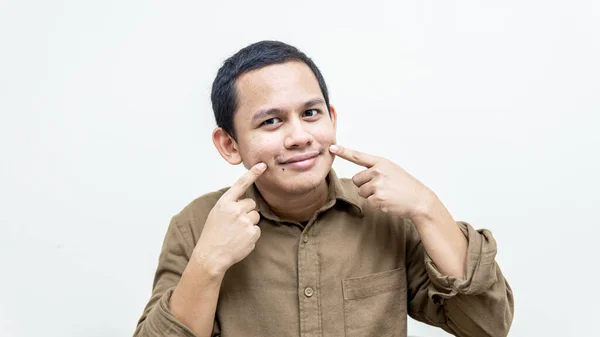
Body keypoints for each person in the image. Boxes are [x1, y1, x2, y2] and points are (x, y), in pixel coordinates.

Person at [133, 40, 514, 337]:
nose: (299, 136)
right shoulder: (197, 225)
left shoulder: (387, 215)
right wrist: (208, 264)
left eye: (311, 113)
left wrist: (428, 209)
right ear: (229, 144)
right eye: (271, 121)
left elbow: (487, 326)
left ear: (331, 119)